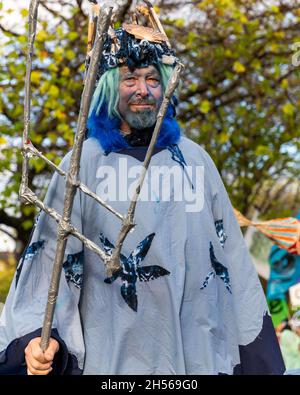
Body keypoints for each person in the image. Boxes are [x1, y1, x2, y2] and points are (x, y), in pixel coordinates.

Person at [0, 21, 285, 375]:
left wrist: (257, 359)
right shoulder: (82, 164)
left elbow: (233, 266)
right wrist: (37, 340)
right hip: (109, 360)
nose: (143, 90)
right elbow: (48, 266)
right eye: (130, 79)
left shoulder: (195, 163)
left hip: (194, 359)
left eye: (152, 79)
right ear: (108, 87)